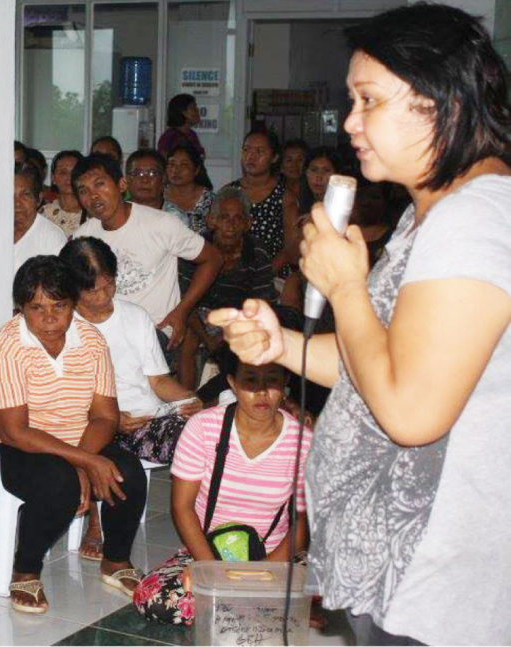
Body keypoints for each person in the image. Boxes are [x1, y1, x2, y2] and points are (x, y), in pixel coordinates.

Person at [209, 5, 511, 644]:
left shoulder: (474, 222)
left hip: (437, 574)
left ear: (442, 104)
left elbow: (410, 412)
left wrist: (347, 284)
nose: (349, 123)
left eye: (368, 100)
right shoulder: (429, 214)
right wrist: (283, 343)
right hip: (390, 569)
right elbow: (377, 360)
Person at [0, 255, 147, 614]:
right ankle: (26, 568)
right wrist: (82, 463)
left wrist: (84, 463)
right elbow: (13, 431)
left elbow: (104, 416)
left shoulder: (92, 341)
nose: (49, 318)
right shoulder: (9, 345)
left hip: (76, 441)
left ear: (73, 305)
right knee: (58, 483)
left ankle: (115, 560)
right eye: (37, 308)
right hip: (2, 448)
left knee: (128, 472)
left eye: (59, 306)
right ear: (21, 308)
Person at [132, 352, 310, 627]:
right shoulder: (204, 428)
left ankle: (243, 610)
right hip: (210, 551)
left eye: (272, 381)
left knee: (337, 586)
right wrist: (212, 570)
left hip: (275, 556)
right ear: (233, 383)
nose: (261, 392)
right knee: (153, 598)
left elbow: (300, 526)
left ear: (285, 383)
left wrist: (263, 575)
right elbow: (182, 507)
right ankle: (258, 613)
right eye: (250, 381)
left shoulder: (303, 441)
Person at [60, 237, 202, 560]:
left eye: (108, 285)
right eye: (92, 291)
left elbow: (158, 380)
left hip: (147, 419)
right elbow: (65, 393)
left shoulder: (134, 316)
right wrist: (112, 417)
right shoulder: (66, 328)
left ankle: (206, 524)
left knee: (204, 434)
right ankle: (96, 525)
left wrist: (190, 401)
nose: (104, 296)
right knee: (101, 441)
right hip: (96, 421)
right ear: (73, 290)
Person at [72, 154, 223, 352]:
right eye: (84, 190)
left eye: (100, 184)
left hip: (155, 331)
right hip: (104, 332)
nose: (93, 195)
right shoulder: (84, 235)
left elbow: (213, 259)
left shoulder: (161, 224)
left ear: (122, 184)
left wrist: (182, 311)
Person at [177, 187, 277, 389]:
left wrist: (230, 331)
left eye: (238, 218)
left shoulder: (256, 252)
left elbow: (262, 304)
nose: (230, 225)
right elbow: (184, 301)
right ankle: (185, 403)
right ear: (211, 220)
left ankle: (228, 396)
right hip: (198, 317)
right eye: (223, 217)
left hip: (240, 318)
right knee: (189, 339)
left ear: (247, 223)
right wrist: (209, 339)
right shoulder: (195, 247)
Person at [228, 130, 301, 277]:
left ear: (274, 157)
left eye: (259, 151)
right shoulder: (229, 192)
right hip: (232, 274)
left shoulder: (285, 198)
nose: (251, 156)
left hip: (272, 275)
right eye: (246, 150)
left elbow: (291, 249)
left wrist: (261, 276)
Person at [13, 163, 66, 273]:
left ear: (38, 199)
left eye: (25, 194)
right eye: (10, 195)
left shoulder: (52, 238)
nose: (17, 203)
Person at [163, 143, 213, 234]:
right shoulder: (158, 196)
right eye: (172, 164)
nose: (176, 170)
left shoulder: (211, 201)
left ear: (196, 170)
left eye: (183, 165)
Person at [41, 150, 84, 236]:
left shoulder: (92, 214)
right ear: (53, 178)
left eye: (74, 172)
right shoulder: (44, 214)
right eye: (63, 172)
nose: (69, 177)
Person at [156, 94, 205, 160]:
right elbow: (163, 159)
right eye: (193, 108)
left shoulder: (192, 135)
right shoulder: (169, 136)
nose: (197, 111)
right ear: (184, 112)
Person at [298, 147, 342, 215]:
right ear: (306, 172)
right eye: (314, 170)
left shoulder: (344, 206)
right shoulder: (297, 201)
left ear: (337, 174)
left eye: (326, 170)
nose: (319, 177)